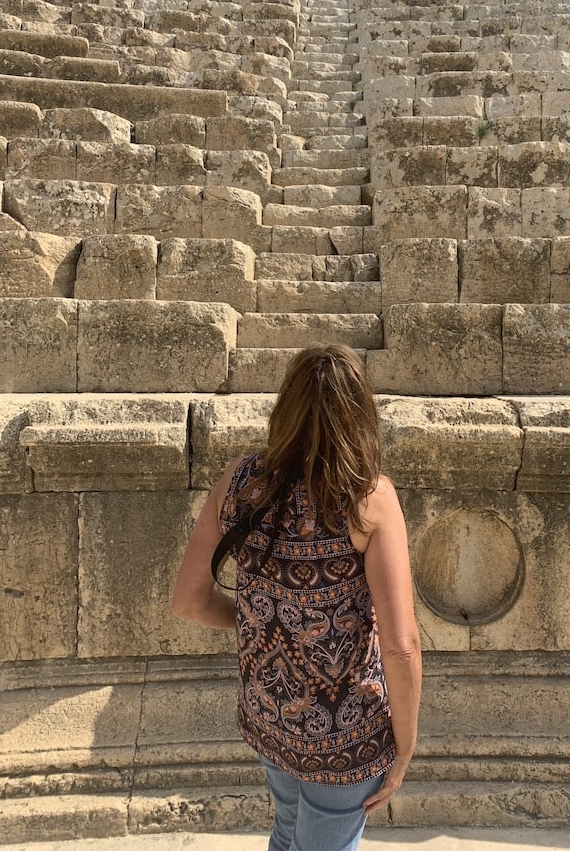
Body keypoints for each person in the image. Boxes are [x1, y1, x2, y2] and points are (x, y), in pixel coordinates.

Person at [172, 345, 422, 851]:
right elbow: (400, 646)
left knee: (287, 834)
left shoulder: (240, 483)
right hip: (346, 738)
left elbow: (189, 601)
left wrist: (262, 627)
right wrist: (405, 748)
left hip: (270, 715)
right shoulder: (368, 500)